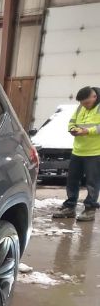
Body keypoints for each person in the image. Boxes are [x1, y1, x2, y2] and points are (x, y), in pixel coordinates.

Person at [53, 86, 100, 222]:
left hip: (95, 152)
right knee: (72, 181)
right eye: (82, 103)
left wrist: (87, 131)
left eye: (87, 103)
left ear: (94, 97)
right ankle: (70, 207)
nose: (84, 106)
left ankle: (90, 209)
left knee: (92, 183)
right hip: (78, 151)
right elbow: (72, 122)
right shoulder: (81, 107)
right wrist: (72, 129)